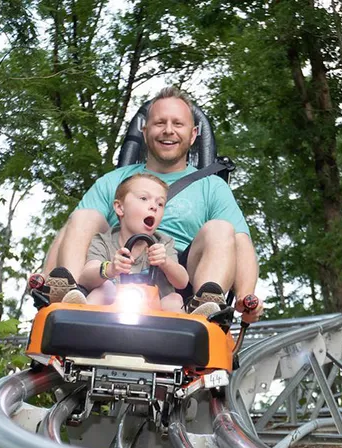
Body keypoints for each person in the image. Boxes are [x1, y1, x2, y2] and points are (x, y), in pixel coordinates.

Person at [43, 86, 263, 322]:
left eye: (178, 124)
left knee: (222, 228)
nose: (168, 130)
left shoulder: (212, 187)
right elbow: (72, 229)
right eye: (160, 123)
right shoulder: (113, 181)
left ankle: (206, 307)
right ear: (145, 131)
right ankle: (71, 296)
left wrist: (246, 297)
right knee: (84, 215)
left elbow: (241, 242)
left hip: (178, 283)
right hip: (111, 272)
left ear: (193, 134)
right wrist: (44, 282)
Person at [77, 173, 190, 314]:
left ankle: (190, 327)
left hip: (157, 317)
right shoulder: (104, 241)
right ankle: (78, 314)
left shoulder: (163, 243)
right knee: (103, 289)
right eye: (144, 198)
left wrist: (165, 262)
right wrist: (110, 268)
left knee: (174, 299)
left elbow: (182, 282)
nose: (154, 207)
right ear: (120, 208)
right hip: (110, 314)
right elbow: (85, 278)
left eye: (160, 203)